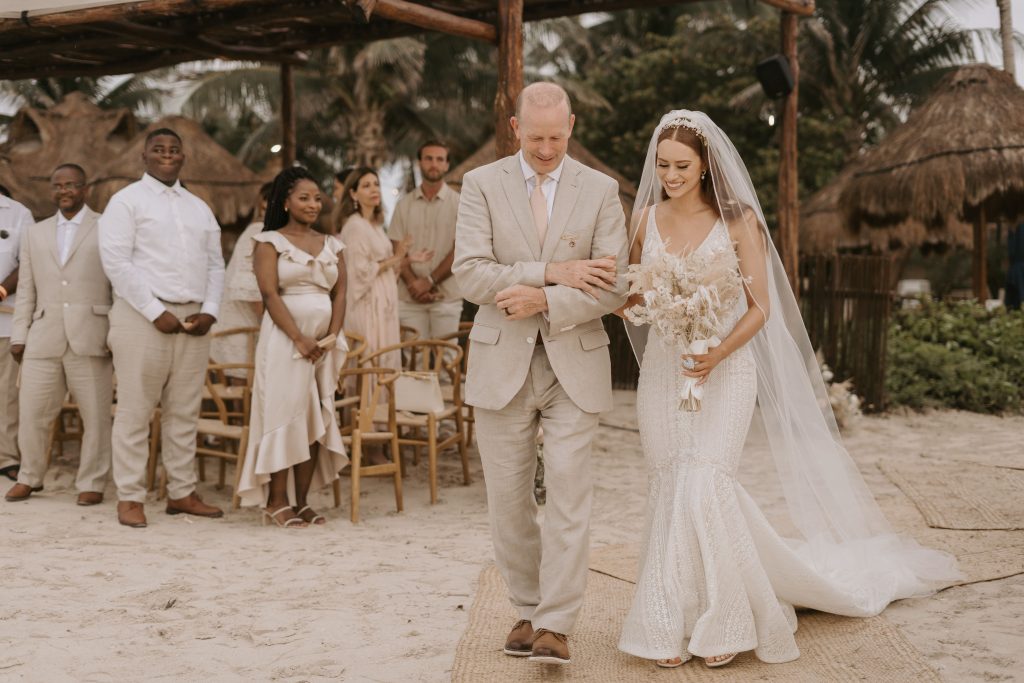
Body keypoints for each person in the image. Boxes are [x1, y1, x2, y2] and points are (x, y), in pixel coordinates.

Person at [616, 111, 962, 668]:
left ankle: (724, 623)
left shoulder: (739, 222)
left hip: (725, 370)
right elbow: (630, 298)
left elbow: (759, 309)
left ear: (706, 166)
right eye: (662, 165)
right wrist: (646, 302)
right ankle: (666, 622)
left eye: (681, 165)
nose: (670, 175)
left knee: (705, 480)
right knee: (668, 483)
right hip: (663, 369)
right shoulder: (643, 223)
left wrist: (715, 352)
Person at [452, 82, 628, 666]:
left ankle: (557, 623)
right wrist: (552, 272)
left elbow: (614, 283)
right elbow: (471, 274)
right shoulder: (480, 184)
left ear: (571, 125)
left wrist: (545, 301)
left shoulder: (602, 190)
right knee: (508, 500)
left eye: (555, 136)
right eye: (535, 137)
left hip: (574, 361)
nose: (546, 148)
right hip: (500, 360)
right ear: (514, 127)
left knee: (570, 497)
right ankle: (526, 610)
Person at [99, 127, 226, 528]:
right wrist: (155, 311)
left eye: (174, 149)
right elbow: (116, 262)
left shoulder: (198, 207)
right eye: (159, 149)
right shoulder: (125, 202)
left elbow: (215, 264)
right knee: (135, 411)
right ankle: (131, 496)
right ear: (144, 156)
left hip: (193, 320)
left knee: (184, 411)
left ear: (183, 157)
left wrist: (209, 310)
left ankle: (181, 492)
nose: (167, 154)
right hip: (142, 317)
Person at [235, 167, 348, 526]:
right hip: (286, 340)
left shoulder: (333, 243)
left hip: (324, 344)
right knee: (285, 414)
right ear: (285, 202)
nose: (313, 204)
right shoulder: (269, 242)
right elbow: (269, 293)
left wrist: (331, 336)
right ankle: (276, 500)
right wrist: (300, 338)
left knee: (317, 415)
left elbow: (341, 292)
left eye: (317, 198)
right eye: (304, 197)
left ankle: (303, 501)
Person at [5, 164, 113, 505]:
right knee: (33, 413)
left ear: (85, 188)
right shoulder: (35, 232)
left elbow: (117, 286)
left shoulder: (107, 226)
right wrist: (20, 334)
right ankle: (30, 477)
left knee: (95, 417)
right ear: (51, 190)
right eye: (58, 185)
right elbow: (26, 288)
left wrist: (115, 335)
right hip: (42, 335)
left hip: (92, 335)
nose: (64, 190)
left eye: (71, 185)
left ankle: (92, 482)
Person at [389, 141, 463, 341]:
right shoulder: (403, 205)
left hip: (446, 297)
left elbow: (461, 249)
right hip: (408, 299)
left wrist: (429, 282)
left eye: (440, 159)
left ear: (447, 165)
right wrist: (414, 285)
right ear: (420, 162)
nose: (434, 164)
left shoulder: (460, 204)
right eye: (428, 159)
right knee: (415, 362)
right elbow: (397, 251)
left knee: (447, 362)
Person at [210, 181, 272, 377]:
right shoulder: (258, 231)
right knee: (245, 391)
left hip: (248, 327)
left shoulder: (267, 231)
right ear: (264, 203)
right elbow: (250, 287)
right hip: (242, 329)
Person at [0, 186, 34, 482]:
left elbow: (29, 262)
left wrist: (1, 290)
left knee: (6, 394)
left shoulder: (18, 213)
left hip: (6, 321)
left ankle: (6, 456)